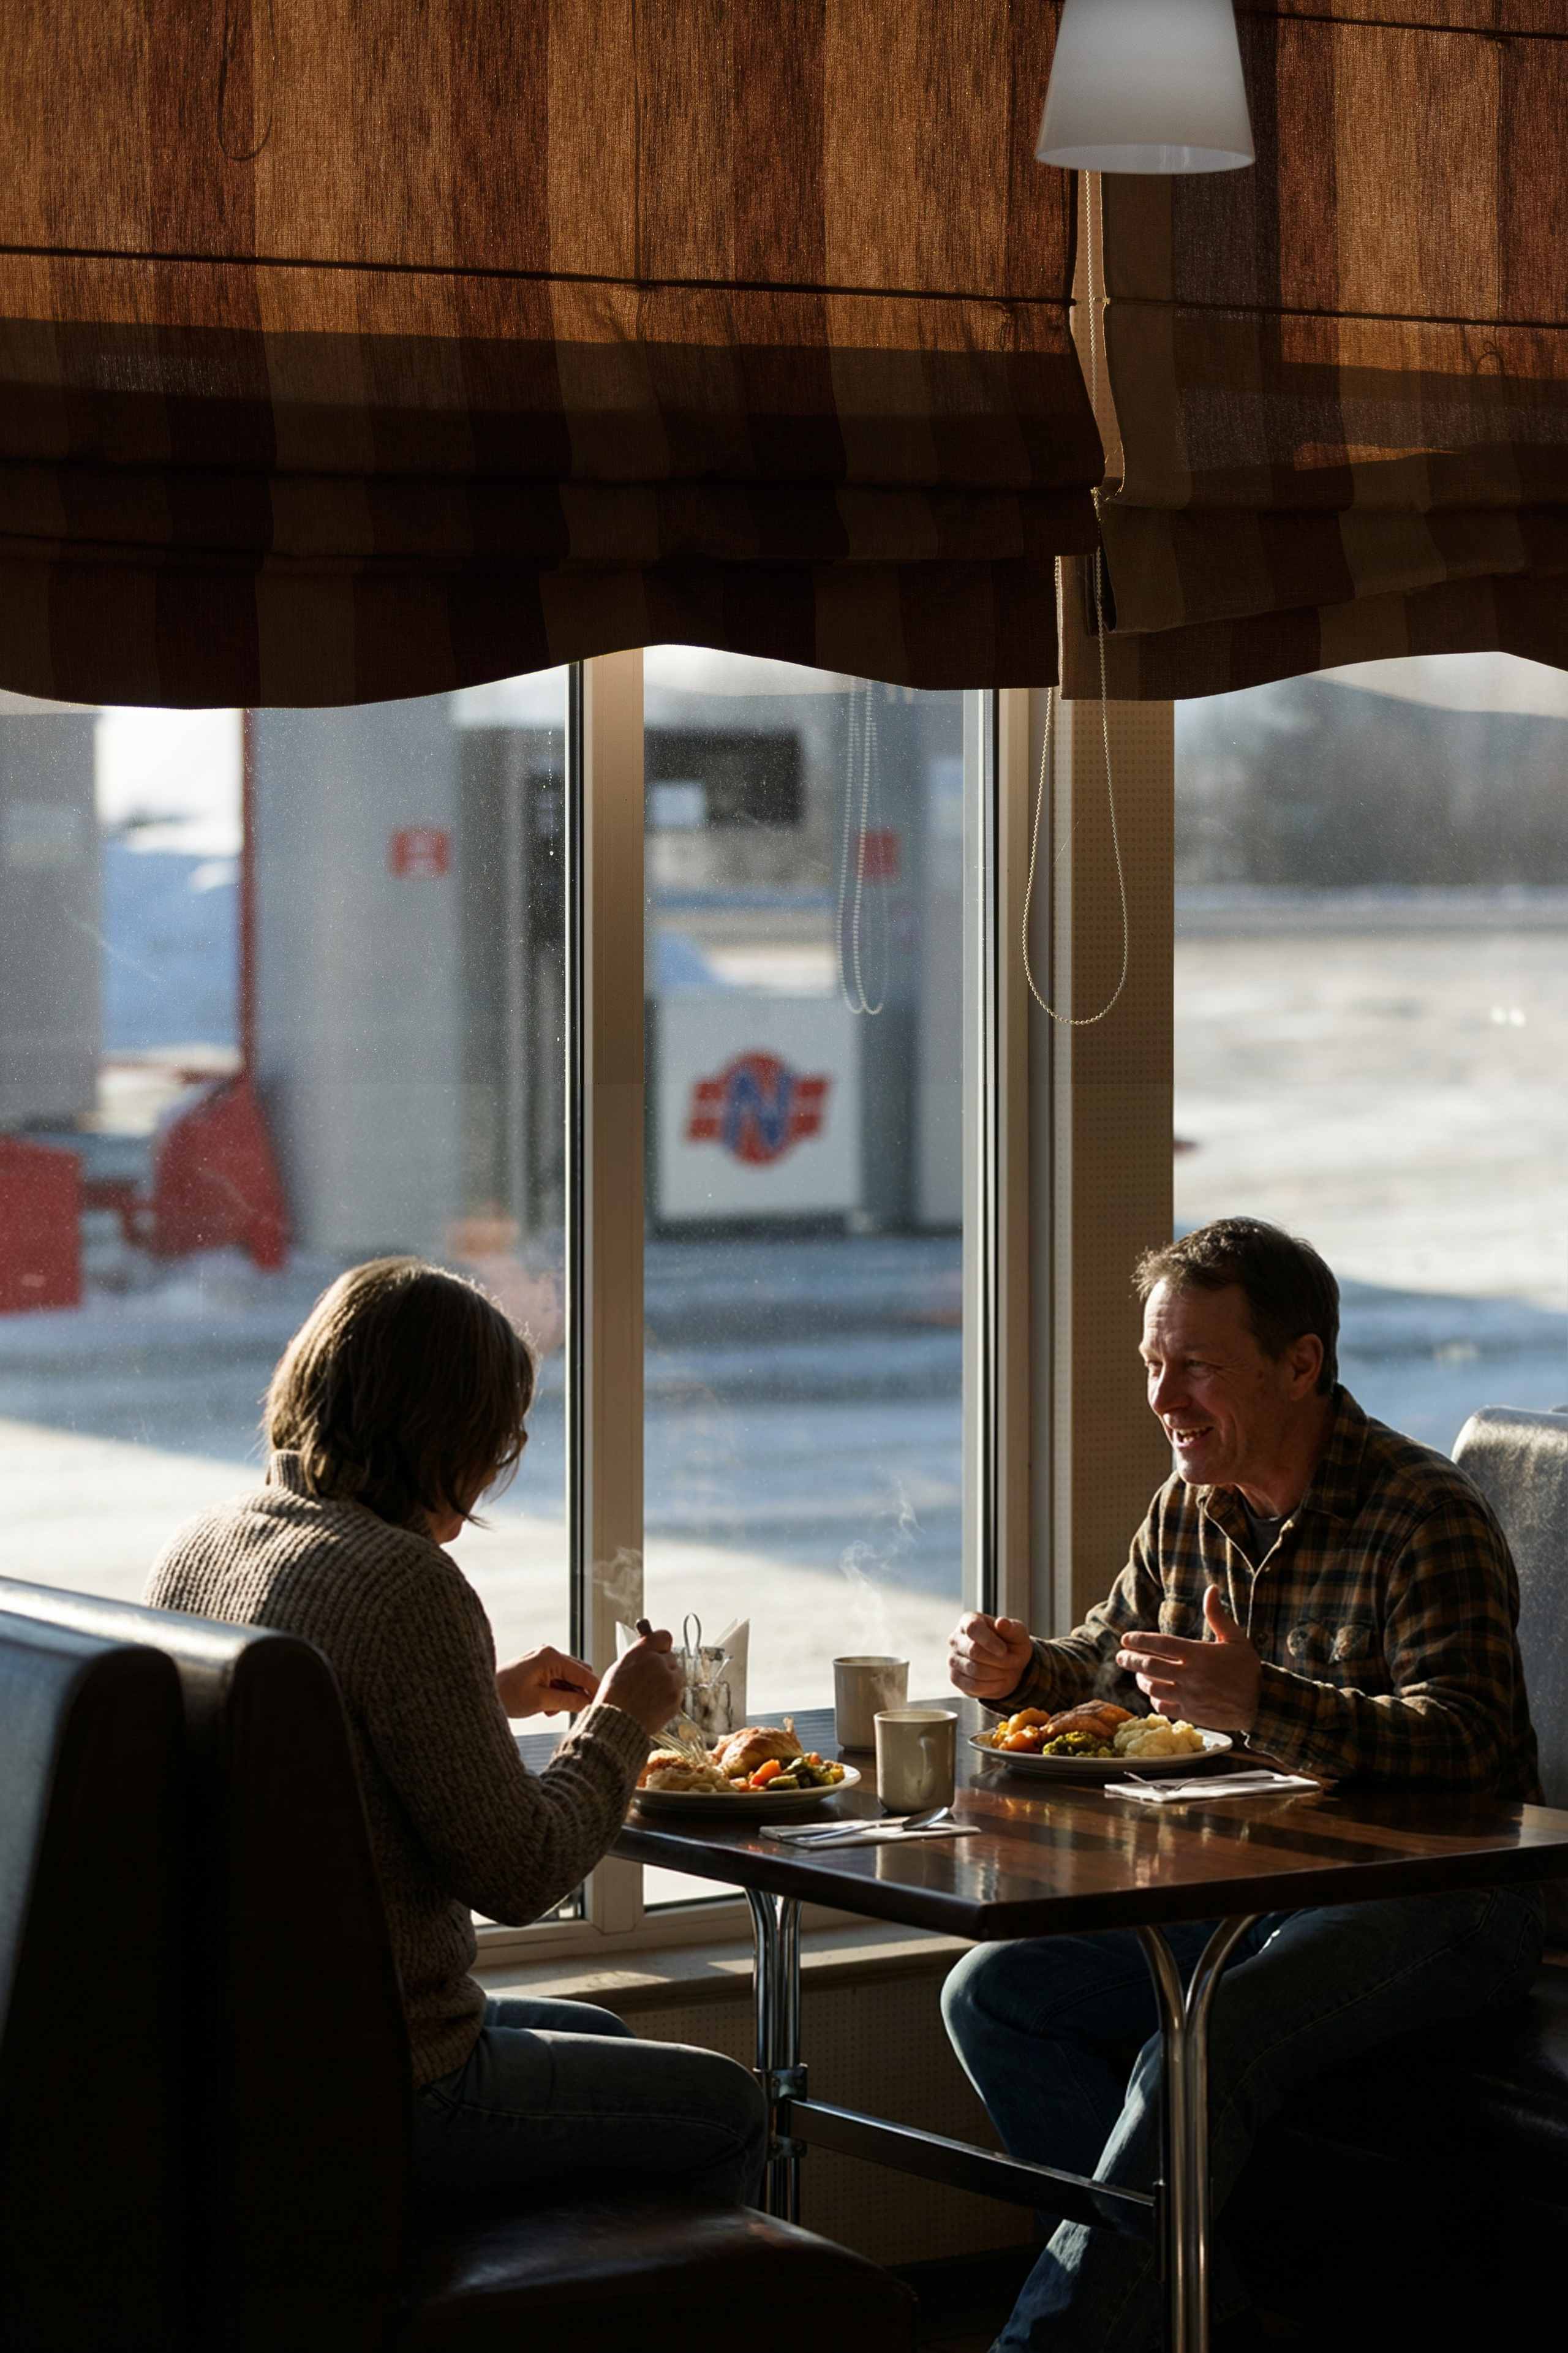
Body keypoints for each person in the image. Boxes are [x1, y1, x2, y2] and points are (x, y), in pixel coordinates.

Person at [943, 1217, 1544, 2352]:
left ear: (1301, 1363)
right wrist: (1020, 1670)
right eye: (1154, 1363)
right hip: (1255, 1887)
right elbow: (1110, 1657)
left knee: (1202, 2041)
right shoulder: (1191, 1506)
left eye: (1198, 1366)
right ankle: (1195, 2313)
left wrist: (1261, 1700)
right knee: (993, 1992)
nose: (1164, 1397)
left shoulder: (1425, 1512)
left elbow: (1470, 1746)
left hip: (1444, 1900)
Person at [145, 1256, 766, 2206]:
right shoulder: (406, 1582)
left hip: (245, 2059)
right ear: (444, 1434)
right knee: (728, 2107)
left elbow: (316, 1729)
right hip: (387, 2077)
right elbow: (521, 1873)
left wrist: (485, 1694)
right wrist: (620, 1722)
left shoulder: (204, 1541)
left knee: (606, 2039)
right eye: (495, 1441)